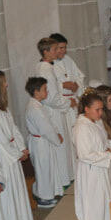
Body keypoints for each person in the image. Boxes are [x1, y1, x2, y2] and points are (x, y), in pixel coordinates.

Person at [72, 90, 111, 220]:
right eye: (97, 109)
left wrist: (107, 151)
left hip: (99, 172)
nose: (100, 113)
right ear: (86, 109)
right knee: (93, 214)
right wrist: (107, 155)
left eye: (101, 109)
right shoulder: (81, 127)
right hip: (90, 175)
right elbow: (84, 154)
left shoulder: (93, 123)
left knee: (101, 211)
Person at [0, 70, 34, 220]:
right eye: (3, 82)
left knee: (16, 194)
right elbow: (0, 140)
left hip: (13, 155)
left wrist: (22, 147)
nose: (7, 85)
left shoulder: (3, 108)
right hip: (3, 158)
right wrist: (17, 153)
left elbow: (14, 130)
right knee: (8, 196)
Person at [34, 37, 73, 186]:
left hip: (54, 109)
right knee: (59, 145)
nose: (58, 52)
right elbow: (51, 97)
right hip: (53, 111)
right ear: (46, 51)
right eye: (55, 49)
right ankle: (62, 179)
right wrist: (68, 102)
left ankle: (64, 177)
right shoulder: (45, 69)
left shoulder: (45, 67)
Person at [24, 77, 63, 207]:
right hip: (40, 142)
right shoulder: (34, 108)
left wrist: (56, 133)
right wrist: (56, 139)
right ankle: (43, 198)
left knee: (46, 169)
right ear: (36, 92)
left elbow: (49, 123)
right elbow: (45, 129)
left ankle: (46, 193)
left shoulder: (39, 106)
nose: (47, 91)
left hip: (43, 141)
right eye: (45, 89)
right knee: (43, 170)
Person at [50, 32, 84, 159]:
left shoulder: (68, 60)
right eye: (60, 48)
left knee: (76, 133)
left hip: (73, 101)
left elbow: (80, 75)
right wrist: (63, 85)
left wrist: (76, 85)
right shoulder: (48, 65)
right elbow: (48, 85)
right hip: (61, 105)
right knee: (66, 136)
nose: (63, 51)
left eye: (65, 47)